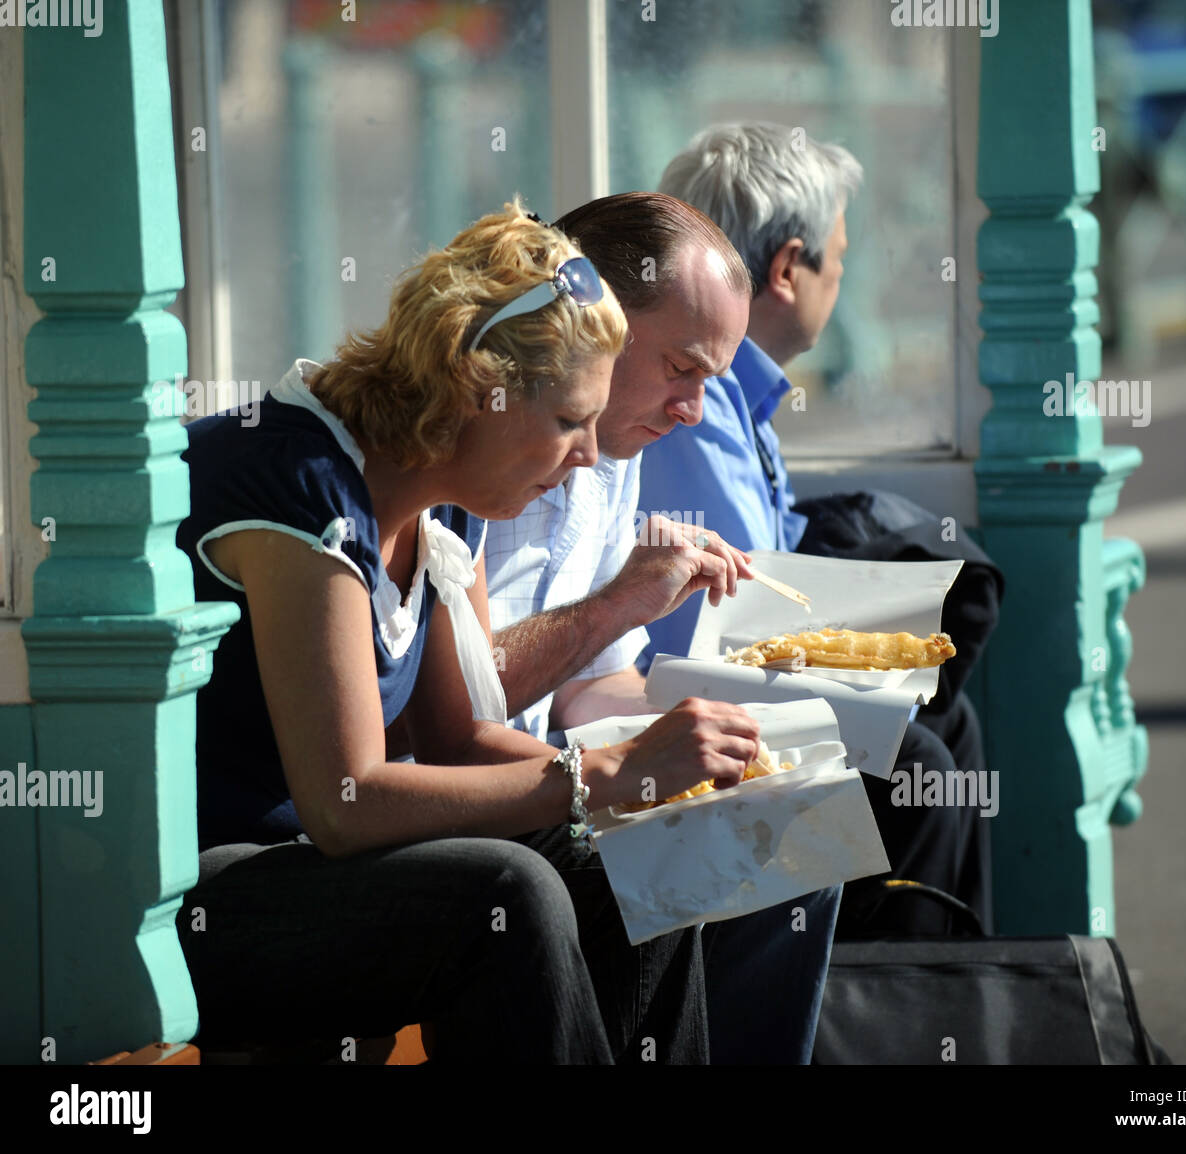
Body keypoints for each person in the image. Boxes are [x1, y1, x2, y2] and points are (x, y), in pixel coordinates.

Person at [172, 201, 765, 1065]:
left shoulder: (448, 495)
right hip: (201, 889)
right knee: (510, 892)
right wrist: (599, 774)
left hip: (317, 864)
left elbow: (454, 740)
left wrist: (649, 787)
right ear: (469, 386)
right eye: (568, 421)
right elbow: (347, 802)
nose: (588, 457)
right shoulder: (298, 488)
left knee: (650, 853)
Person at [485, 192, 842, 1065]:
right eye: (681, 368)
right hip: (484, 790)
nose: (690, 409)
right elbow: (443, 706)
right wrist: (617, 608)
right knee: (686, 847)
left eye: (710, 383)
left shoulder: (615, 460)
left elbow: (588, 688)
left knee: (799, 806)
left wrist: (738, 709)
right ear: (595, 319)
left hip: (544, 769)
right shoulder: (484, 453)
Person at [641, 124, 997, 935]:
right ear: (787, 269)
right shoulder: (704, 407)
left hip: (690, 690)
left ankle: (941, 987)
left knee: (937, 721)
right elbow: (738, 621)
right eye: (836, 258)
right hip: (677, 708)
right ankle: (899, 999)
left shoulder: (728, 398)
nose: (840, 277)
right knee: (922, 762)